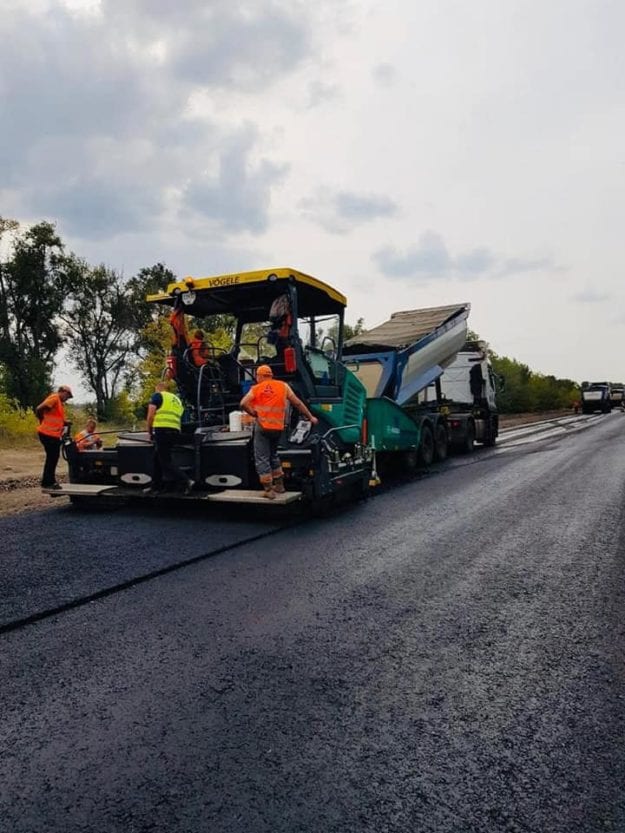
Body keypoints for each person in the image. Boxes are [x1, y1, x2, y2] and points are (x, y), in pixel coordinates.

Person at [240, 364, 318, 499]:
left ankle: (269, 489)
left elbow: (243, 403)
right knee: (273, 455)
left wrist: (253, 413)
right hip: (277, 428)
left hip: (263, 427)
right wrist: (310, 417)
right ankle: (280, 485)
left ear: (259, 376)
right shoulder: (283, 386)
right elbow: (297, 403)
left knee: (262, 457)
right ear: (270, 375)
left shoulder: (256, 388)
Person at [145, 381, 194, 495]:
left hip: (162, 430)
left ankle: (186, 481)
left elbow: (150, 416)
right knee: (157, 459)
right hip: (175, 431)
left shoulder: (157, 396)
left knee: (165, 461)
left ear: (158, 388)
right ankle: (156, 486)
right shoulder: (177, 400)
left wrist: (149, 432)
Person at [35, 385, 73, 490]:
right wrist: (42, 420)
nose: (67, 398)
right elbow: (39, 408)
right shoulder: (55, 397)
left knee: (52, 457)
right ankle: (48, 482)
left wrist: (65, 422)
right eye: (68, 395)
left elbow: (55, 417)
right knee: (52, 458)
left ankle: (47, 481)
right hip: (48, 433)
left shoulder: (60, 404)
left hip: (52, 434)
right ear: (63, 391)